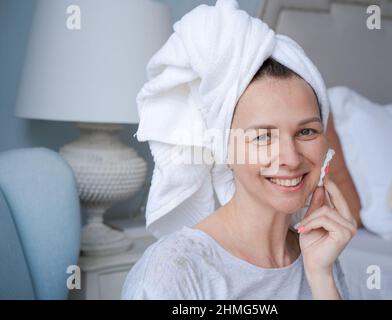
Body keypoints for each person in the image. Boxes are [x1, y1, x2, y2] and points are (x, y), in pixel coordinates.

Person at [122, 57, 357, 300]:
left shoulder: (319, 255)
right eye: (263, 136)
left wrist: (321, 277)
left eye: (306, 131)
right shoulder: (173, 271)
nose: (292, 159)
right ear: (226, 151)